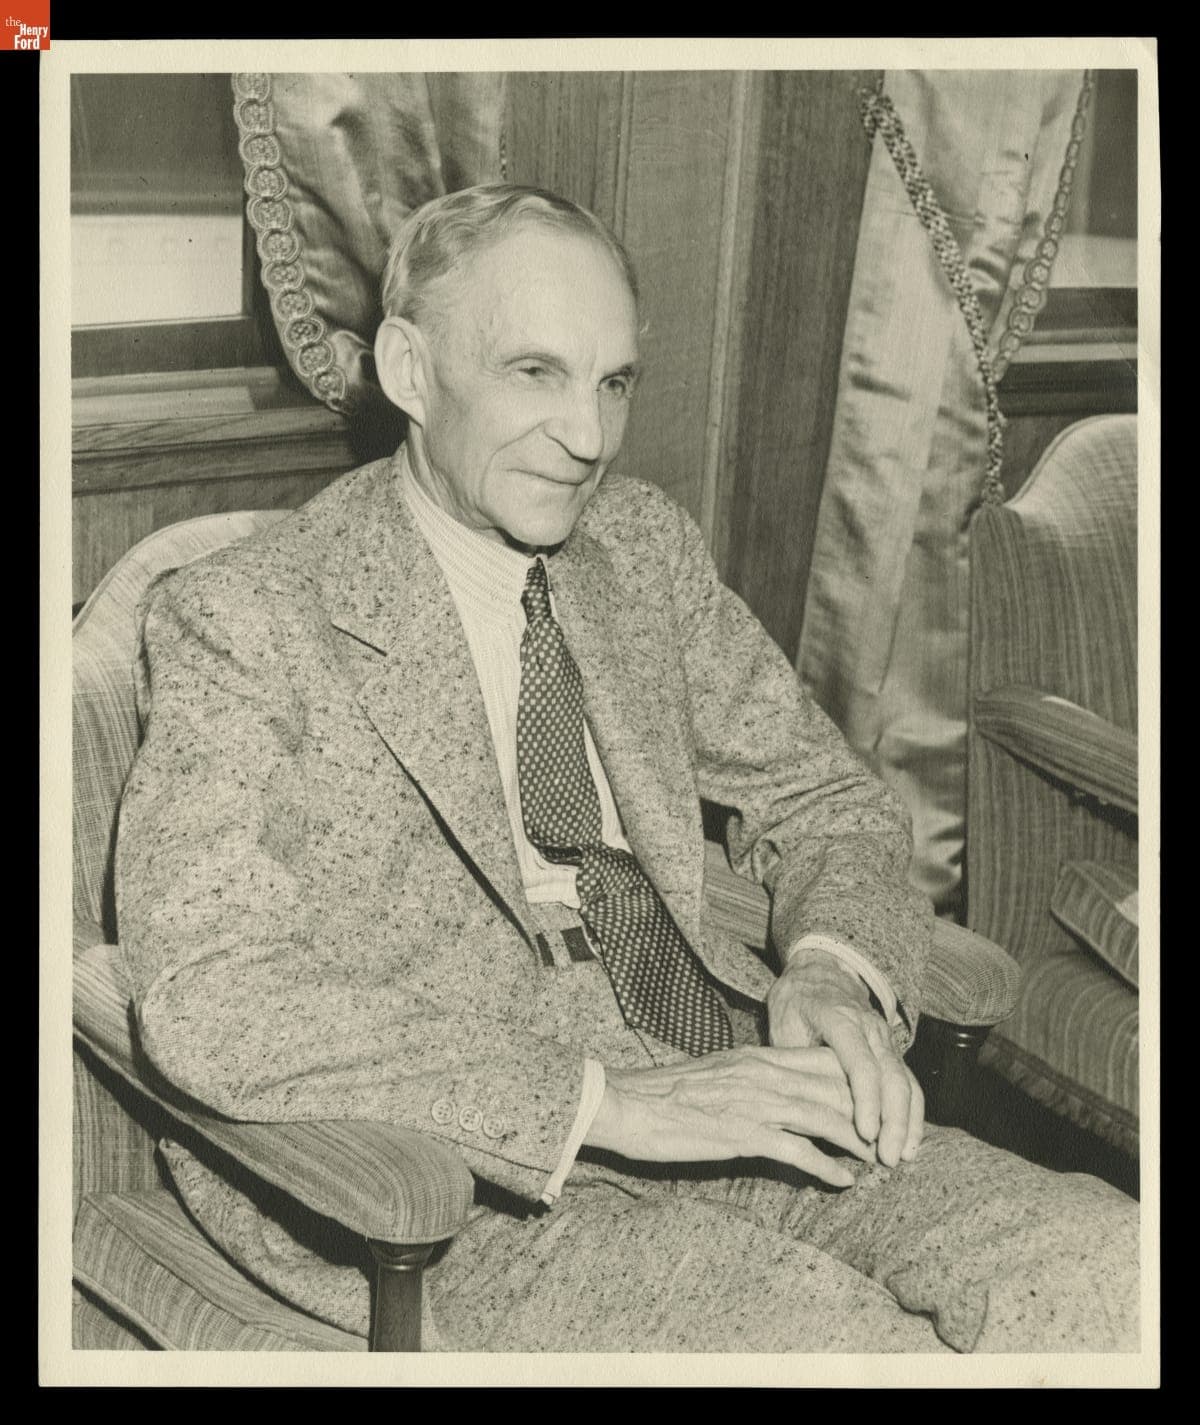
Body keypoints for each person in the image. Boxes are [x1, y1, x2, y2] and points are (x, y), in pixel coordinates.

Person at [116, 183, 1139, 1353]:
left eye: (614, 383)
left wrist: (830, 975)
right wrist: (609, 1106)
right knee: (847, 1351)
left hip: (732, 1069)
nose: (592, 438)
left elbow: (826, 801)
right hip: (461, 1174)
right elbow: (209, 991)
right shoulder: (245, 616)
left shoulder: (640, 549)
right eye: (535, 373)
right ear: (408, 368)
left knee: (1111, 1268)